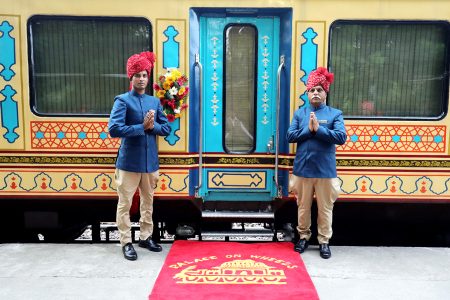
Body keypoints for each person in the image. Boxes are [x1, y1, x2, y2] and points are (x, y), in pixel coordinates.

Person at [108, 51, 170, 261]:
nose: (141, 79)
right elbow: (114, 129)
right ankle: (126, 241)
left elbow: (166, 128)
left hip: (150, 162)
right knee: (125, 203)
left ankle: (145, 236)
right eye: (137, 75)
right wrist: (140, 127)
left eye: (144, 75)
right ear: (131, 77)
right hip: (129, 162)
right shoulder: (122, 101)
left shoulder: (154, 101)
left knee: (148, 202)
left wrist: (152, 128)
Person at [287, 67, 347, 259]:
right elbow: (290, 136)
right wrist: (309, 131)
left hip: (325, 171)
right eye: (312, 90)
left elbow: (340, 137)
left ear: (325, 92)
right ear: (307, 93)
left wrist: (319, 129)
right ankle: (303, 237)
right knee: (303, 207)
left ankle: (324, 241)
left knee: (325, 209)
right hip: (303, 170)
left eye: (319, 90)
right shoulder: (300, 114)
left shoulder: (335, 114)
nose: (315, 93)